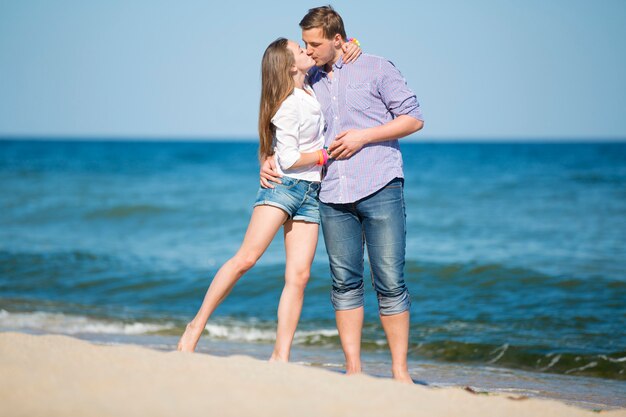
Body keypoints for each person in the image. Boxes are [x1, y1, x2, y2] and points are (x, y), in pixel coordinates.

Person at [260, 6, 424, 382]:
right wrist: (268, 157)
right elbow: (285, 122)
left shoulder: (378, 68)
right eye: (304, 44)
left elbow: (413, 117)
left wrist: (363, 136)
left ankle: (401, 374)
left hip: (380, 184)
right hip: (332, 193)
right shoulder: (308, 77)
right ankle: (354, 371)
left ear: (338, 40)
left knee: (390, 280)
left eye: (314, 43)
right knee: (345, 282)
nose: (308, 50)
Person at [177, 37, 361, 362]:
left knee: (299, 277)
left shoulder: (313, 86)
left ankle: (281, 356)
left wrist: (351, 43)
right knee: (246, 259)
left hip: (312, 193)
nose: (306, 50)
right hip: (283, 187)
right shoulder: (288, 103)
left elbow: (337, 51)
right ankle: (195, 326)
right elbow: (288, 159)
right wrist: (324, 155)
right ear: (289, 65)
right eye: (300, 49)